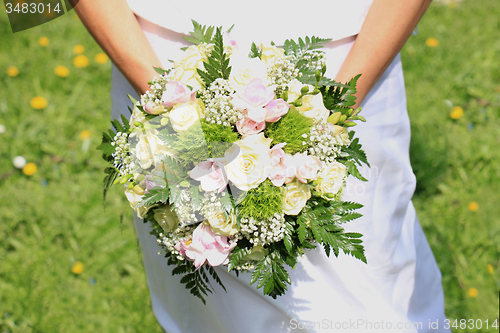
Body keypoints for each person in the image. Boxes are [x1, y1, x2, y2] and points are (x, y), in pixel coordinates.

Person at [75, 0, 451, 332]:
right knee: (208, 315)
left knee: (373, 307)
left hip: (350, 63)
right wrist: (171, 104)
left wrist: (332, 113)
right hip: (158, 57)